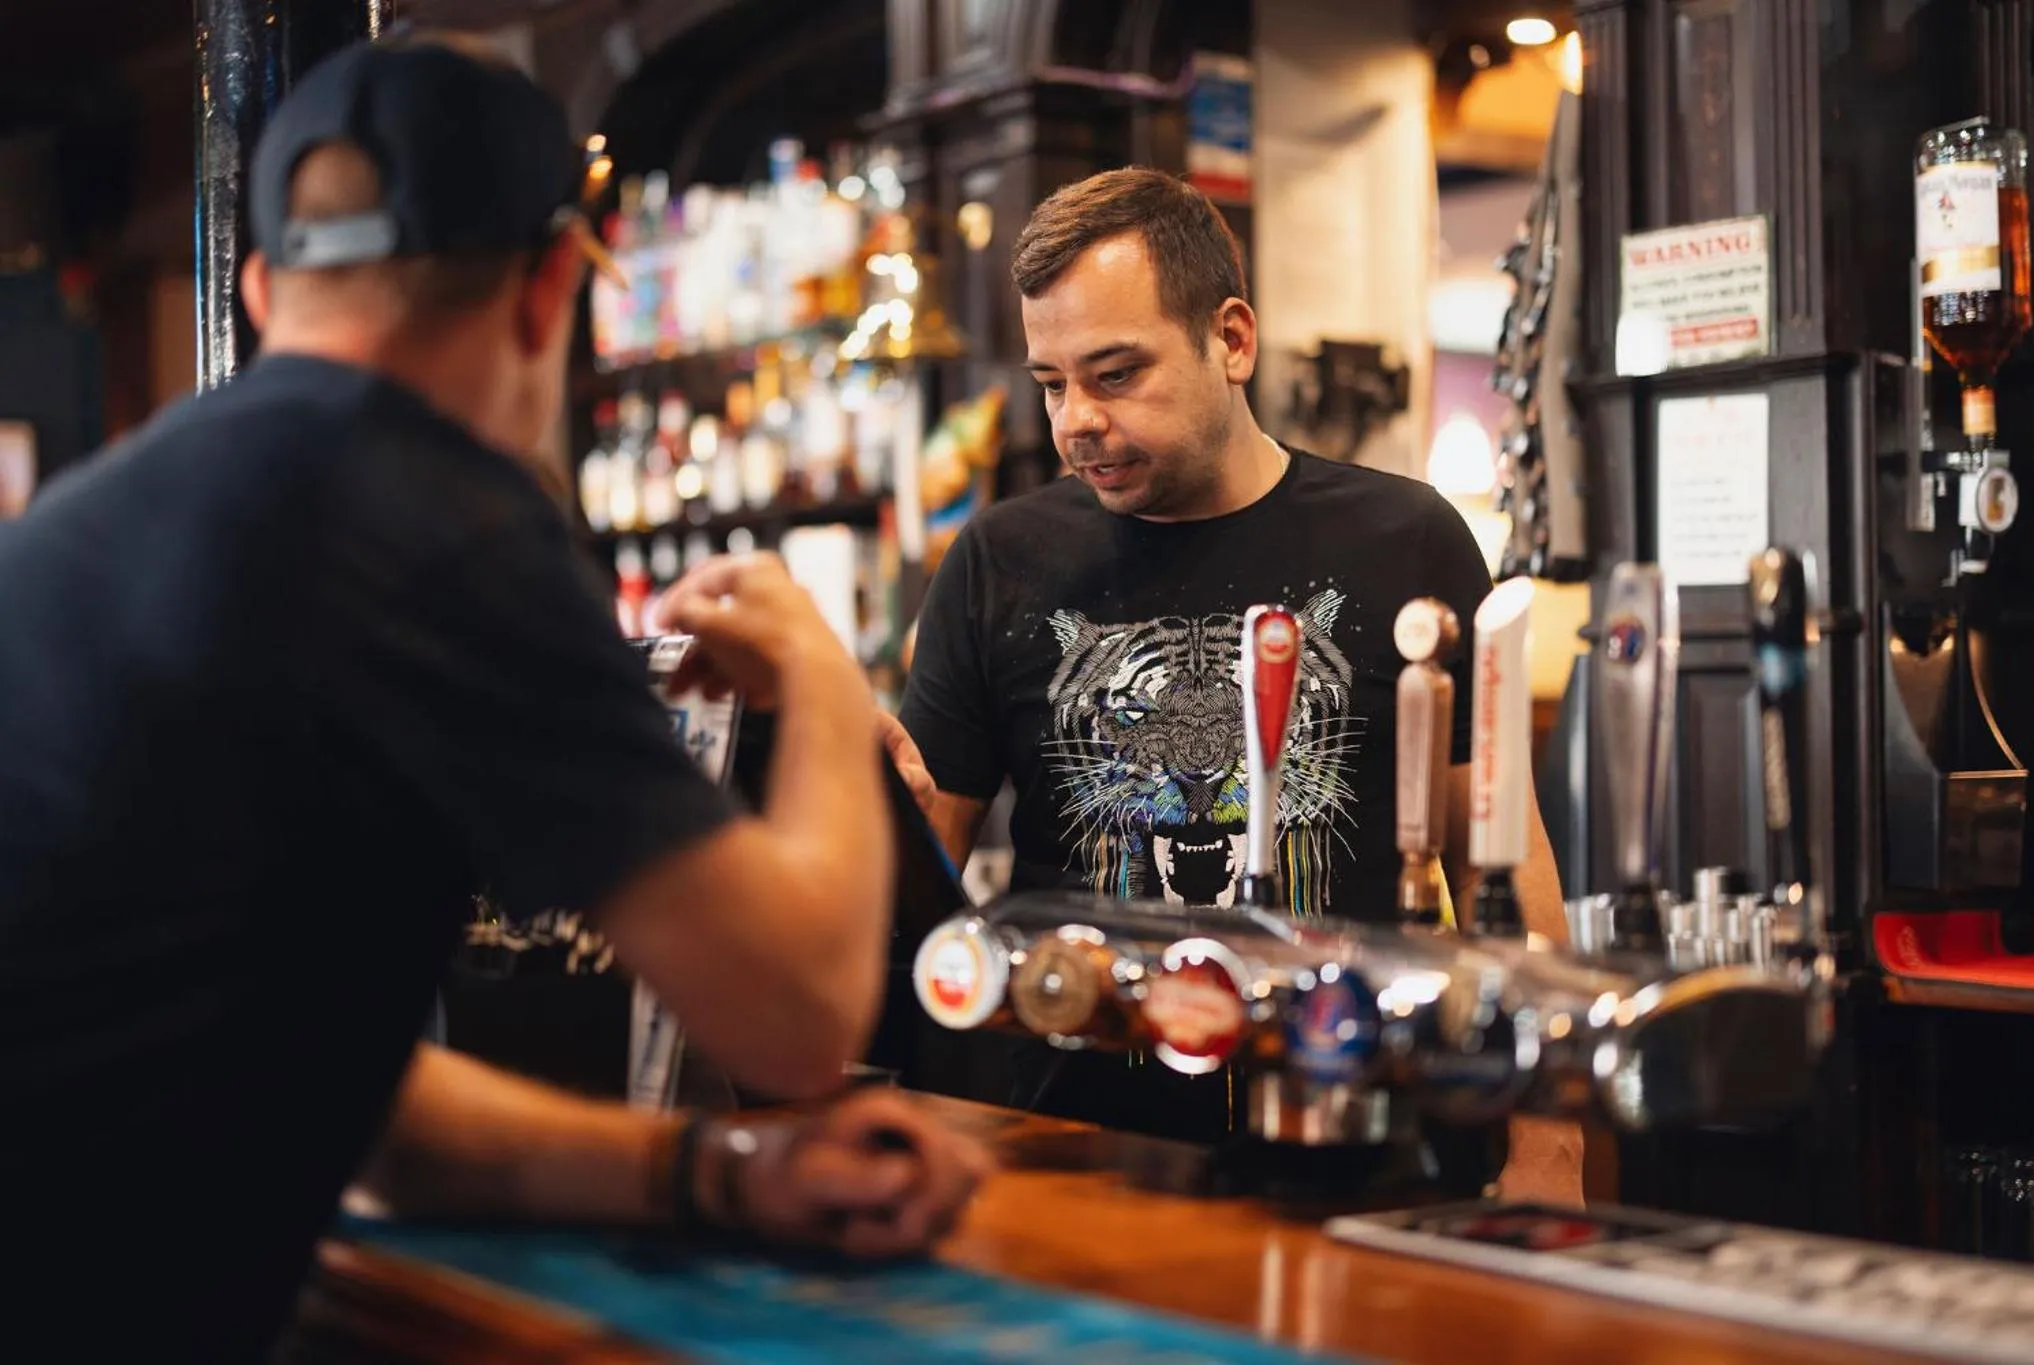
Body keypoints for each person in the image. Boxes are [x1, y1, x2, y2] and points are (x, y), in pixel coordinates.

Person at [0, 35, 984, 1363]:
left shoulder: (81, 526)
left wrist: (706, 1170)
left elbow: (357, 1106)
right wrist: (815, 666)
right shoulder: (440, 522)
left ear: (262, 287)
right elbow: (799, 1013)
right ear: (549, 291)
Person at [886, 167, 1582, 1203]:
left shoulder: (1401, 538)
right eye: (1050, 382)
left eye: (1114, 373)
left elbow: (1500, 859)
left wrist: (1547, 1150)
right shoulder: (998, 561)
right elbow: (914, 881)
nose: (1074, 418)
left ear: (1232, 340)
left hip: (1361, 1143)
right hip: (1071, 1156)